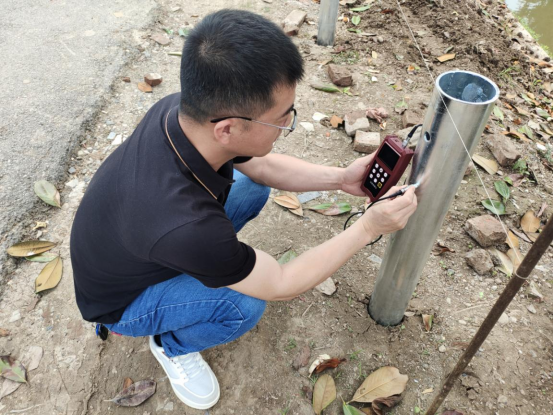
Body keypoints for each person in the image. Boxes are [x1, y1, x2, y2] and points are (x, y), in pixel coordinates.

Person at [70, 9, 417, 410]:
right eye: (282, 119)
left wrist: (341, 179)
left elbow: (263, 167)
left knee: (251, 186)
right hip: (122, 303)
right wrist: (368, 228)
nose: (287, 125)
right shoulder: (189, 225)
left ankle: (200, 273)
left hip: (139, 244)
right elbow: (281, 282)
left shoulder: (180, 112)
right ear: (228, 128)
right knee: (242, 304)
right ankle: (171, 345)